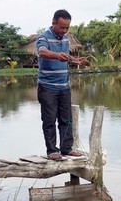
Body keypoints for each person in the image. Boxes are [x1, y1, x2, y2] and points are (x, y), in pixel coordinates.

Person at [36, 9, 89, 161]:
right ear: (53, 23)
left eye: (67, 27)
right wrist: (57, 55)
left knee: (66, 119)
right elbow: (42, 52)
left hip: (64, 86)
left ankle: (67, 148)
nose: (65, 30)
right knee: (49, 120)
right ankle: (52, 151)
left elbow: (65, 56)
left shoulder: (65, 39)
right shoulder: (44, 38)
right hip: (47, 87)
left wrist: (75, 60)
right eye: (62, 27)